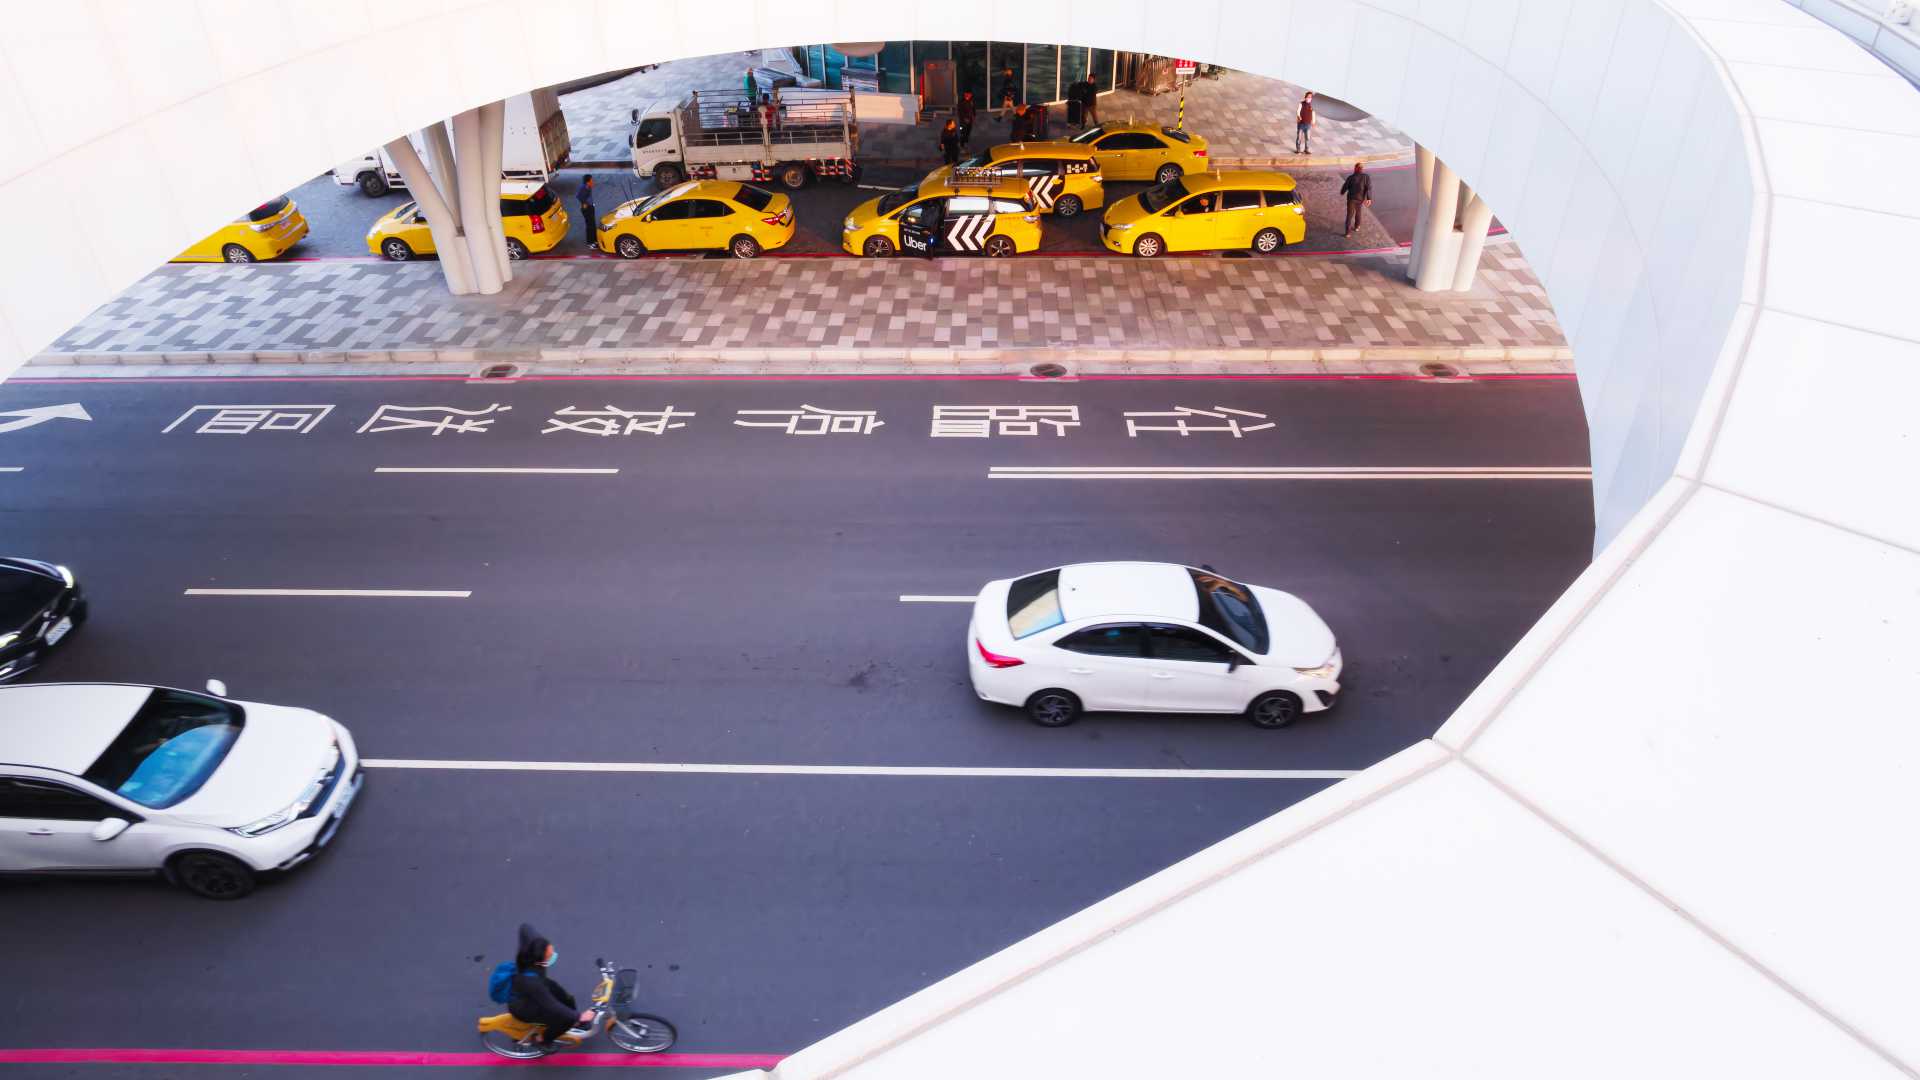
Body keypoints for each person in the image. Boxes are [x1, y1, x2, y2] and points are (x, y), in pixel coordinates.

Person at [508, 924, 593, 1050]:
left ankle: (574, 1021)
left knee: (566, 997)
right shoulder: (532, 982)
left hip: (531, 990)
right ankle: (543, 1040)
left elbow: (525, 928)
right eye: (549, 955)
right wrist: (578, 1016)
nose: (553, 955)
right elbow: (551, 1004)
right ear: (539, 960)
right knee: (565, 1019)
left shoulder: (529, 953)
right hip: (524, 1007)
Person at [1339, 162, 1372, 237]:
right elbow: (1369, 188)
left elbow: (1345, 186)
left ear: (1355, 168)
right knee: (1358, 212)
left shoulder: (1351, 177)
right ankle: (1357, 227)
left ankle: (1347, 233)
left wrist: (1342, 192)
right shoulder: (1366, 177)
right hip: (1360, 199)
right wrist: (1369, 198)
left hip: (1351, 199)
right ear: (1362, 169)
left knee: (1349, 215)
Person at [577, 175, 595, 241]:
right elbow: (578, 196)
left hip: (590, 207)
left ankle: (594, 240)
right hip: (587, 209)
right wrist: (585, 203)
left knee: (592, 224)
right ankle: (590, 242)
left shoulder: (588, 187)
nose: (593, 181)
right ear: (588, 182)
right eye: (591, 180)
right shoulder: (584, 188)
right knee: (590, 225)